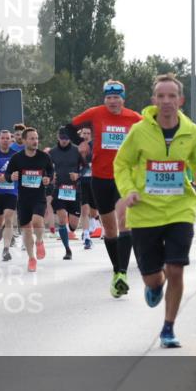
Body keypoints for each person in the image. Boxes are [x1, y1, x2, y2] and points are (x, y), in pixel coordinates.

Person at [114, 73, 196, 349]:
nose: (167, 101)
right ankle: (156, 285)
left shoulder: (191, 131)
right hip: (145, 212)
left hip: (180, 209)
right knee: (153, 277)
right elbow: (121, 164)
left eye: (172, 96)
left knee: (176, 268)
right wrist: (129, 191)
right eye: (161, 96)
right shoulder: (139, 131)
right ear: (154, 100)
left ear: (180, 100)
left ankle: (168, 328)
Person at [63, 80, 143, 298]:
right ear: (104, 99)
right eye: (109, 97)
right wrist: (80, 142)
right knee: (109, 228)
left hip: (124, 178)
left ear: (123, 99)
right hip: (100, 178)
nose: (112, 101)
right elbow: (68, 128)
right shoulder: (96, 113)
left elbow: (153, 135)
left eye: (116, 97)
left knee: (124, 221)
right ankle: (117, 272)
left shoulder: (134, 118)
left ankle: (123, 273)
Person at [4, 127, 55, 272]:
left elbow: (51, 171)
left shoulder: (44, 157)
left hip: (39, 197)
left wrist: (48, 178)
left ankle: (39, 241)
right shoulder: (17, 158)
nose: (35, 141)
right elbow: (7, 174)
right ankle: (31, 258)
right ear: (24, 140)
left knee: (37, 222)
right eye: (32, 139)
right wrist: (11, 177)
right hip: (23, 199)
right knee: (26, 231)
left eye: (36, 138)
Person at [46, 127, 85, 260]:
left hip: (74, 190)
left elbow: (87, 168)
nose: (64, 141)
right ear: (58, 137)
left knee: (73, 226)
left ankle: (71, 228)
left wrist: (78, 175)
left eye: (67, 138)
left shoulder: (77, 151)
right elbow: (46, 170)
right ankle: (67, 249)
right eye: (62, 138)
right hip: (58, 189)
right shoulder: (51, 153)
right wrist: (50, 177)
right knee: (62, 218)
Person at [0, 129, 20, 262]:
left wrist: (17, 176)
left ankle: (6, 249)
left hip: (12, 191)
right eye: (3, 138)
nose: (5, 140)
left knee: (9, 218)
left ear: (11, 140)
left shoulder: (17, 155)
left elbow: (23, 171)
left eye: (7, 138)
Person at [77, 126, 96, 250]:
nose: (86, 135)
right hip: (82, 181)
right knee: (84, 210)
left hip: (95, 181)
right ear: (81, 134)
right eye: (84, 133)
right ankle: (87, 237)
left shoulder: (96, 145)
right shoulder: (77, 147)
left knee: (94, 211)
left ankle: (92, 225)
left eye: (88, 133)